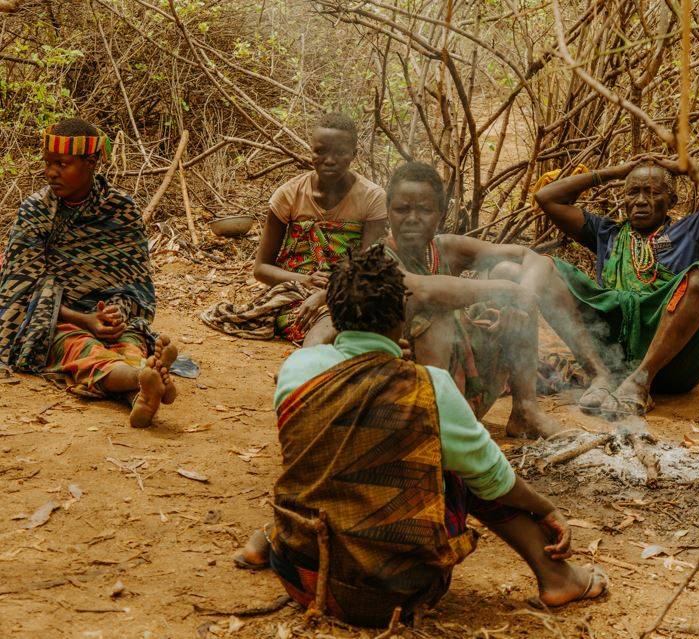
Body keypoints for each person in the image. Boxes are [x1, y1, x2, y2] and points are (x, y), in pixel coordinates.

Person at [234, 246, 607, 627]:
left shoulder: (298, 368)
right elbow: (496, 480)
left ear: (333, 311)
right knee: (460, 467)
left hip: (301, 576)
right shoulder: (430, 389)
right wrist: (546, 508)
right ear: (402, 313)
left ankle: (268, 538)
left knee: (330, 460)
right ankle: (558, 577)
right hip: (391, 595)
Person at [381, 162, 614, 438]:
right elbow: (423, 291)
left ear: (440, 214)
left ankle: (526, 411)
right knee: (437, 314)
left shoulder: (445, 247)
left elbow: (534, 259)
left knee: (512, 273)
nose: (412, 218)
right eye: (402, 209)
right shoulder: (379, 258)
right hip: (407, 393)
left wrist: (521, 300)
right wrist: (503, 291)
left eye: (425, 210)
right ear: (387, 213)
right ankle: (442, 429)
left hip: (465, 381)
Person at [0, 118, 177, 428]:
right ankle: (143, 379)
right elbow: (21, 291)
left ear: (91, 162)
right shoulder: (35, 211)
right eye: (48, 163)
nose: (51, 172)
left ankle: (141, 386)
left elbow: (136, 286)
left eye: (62, 163)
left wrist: (113, 315)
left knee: (130, 337)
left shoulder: (121, 210)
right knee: (80, 346)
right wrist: (85, 320)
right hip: (56, 319)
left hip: (110, 319)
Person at [534, 159, 699, 417]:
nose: (640, 200)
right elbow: (546, 198)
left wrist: (689, 167)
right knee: (542, 268)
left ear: (671, 201)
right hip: (612, 354)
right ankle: (600, 377)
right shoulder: (607, 233)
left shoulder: (691, 231)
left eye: (652, 192)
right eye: (633, 192)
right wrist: (614, 171)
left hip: (673, 365)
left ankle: (641, 380)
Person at [202, 112, 387, 346]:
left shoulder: (372, 198)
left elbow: (367, 269)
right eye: (320, 151)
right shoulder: (289, 195)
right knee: (331, 326)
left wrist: (328, 294)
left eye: (339, 152)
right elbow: (261, 269)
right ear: (310, 151)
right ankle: (310, 365)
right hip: (296, 295)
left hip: (352, 291)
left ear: (353, 155)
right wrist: (306, 280)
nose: (329, 160)